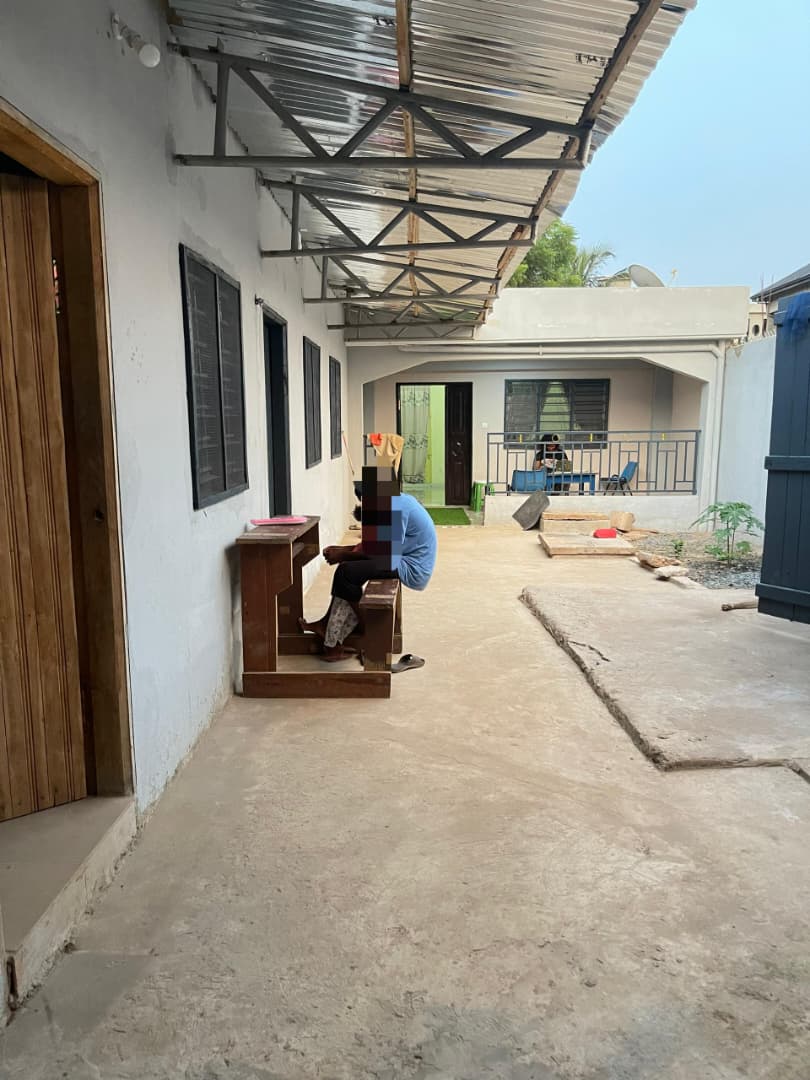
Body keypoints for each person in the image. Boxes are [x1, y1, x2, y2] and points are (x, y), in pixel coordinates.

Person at [299, 484, 438, 662]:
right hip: (400, 559)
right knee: (346, 571)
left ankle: (369, 634)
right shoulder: (395, 502)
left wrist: (344, 555)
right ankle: (328, 627)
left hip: (411, 567)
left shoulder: (397, 509)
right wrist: (344, 551)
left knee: (346, 573)